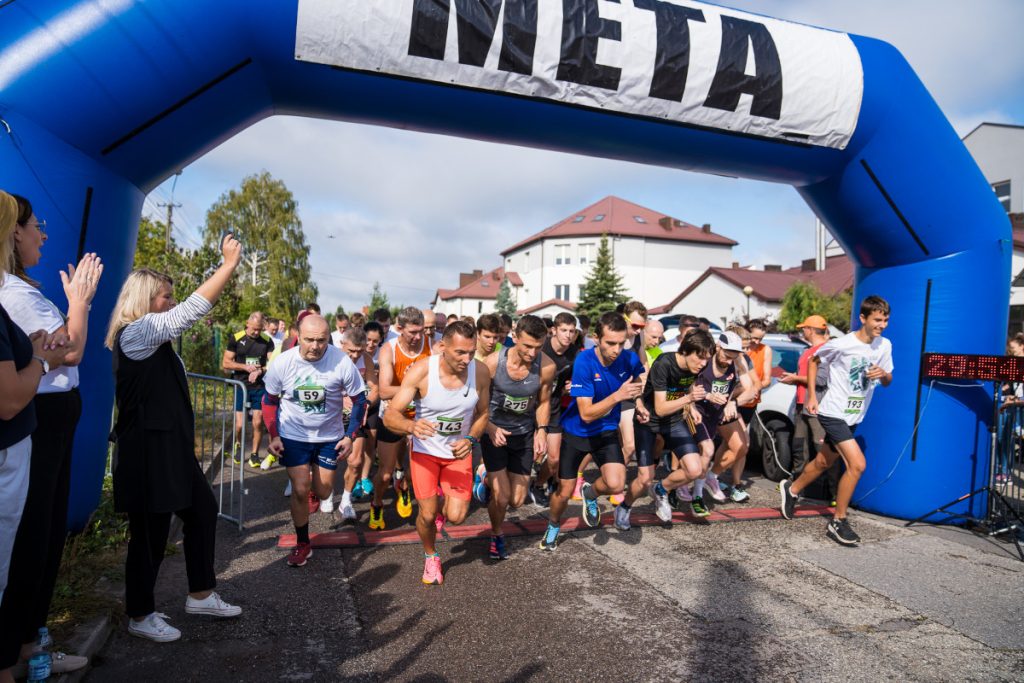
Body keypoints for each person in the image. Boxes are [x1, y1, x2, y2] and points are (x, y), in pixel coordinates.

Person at [105, 233, 244, 643]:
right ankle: (140, 614)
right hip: (147, 451)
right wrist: (228, 266)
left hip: (169, 449)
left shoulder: (153, 336)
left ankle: (200, 593)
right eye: (165, 296)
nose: (171, 302)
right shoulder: (136, 332)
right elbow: (188, 314)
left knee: (202, 509)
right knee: (149, 534)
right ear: (145, 299)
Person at [0, 191, 74, 681]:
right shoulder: (13, 294)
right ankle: (15, 652)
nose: (43, 234)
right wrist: (81, 303)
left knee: (33, 544)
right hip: (18, 441)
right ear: (11, 233)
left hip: (31, 436)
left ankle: (21, 647)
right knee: (19, 550)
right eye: (34, 226)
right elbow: (71, 349)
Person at [780, 296, 894, 546]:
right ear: (863, 319)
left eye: (885, 320)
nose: (882, 325)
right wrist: (811, 395)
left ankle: (792, 489)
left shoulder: (884, 345)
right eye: (877, 319)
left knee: (823, 461)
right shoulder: (843, 344)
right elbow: (814, 361)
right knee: (857, 464)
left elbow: (888, 381)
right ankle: (838, 520)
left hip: (855, 414)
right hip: (833, 412)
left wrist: (883, 374)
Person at [383, 321, 490, 585]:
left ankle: (442, 507)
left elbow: (483, 413)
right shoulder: (422, 372)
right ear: (443, 347)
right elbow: (390, 416)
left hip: (458, 453)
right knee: (427, 515)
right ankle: (431, 556)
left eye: (471, 352)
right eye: (460, 353)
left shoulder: (481, 372)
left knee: (457, 516)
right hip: (425, 452)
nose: (467, 359)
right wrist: (410, 425)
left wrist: (471, 437)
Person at [262, 315, 367, 566]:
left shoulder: (341, 361)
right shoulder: (284, 362)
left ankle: (313, 490)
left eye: (321, 340)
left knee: (323, 491)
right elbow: (269, 401)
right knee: (299, 489)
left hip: (328, 437)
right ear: (298, 336)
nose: (315, 346)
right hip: (293, 435)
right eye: (309, 340)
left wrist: (350, 436)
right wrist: (274, 434)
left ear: (329, 338)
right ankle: (302, 543)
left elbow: (360, 401)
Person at [541, 312, 645, 549]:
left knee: (616, 484)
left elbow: (640, 378)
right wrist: (618, 396)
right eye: (610, 343)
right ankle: (554, 524)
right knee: (564, 492)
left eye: (621, 343)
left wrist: (638, 402)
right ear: (597, 338)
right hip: (578, 433)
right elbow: (586, 413)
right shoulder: (584, 361)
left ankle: (589, 494)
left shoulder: (627, 358)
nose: (616, 349)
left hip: (606, 432)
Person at [480, 315, 554, 559]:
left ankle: (485, 480)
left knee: (518, 500)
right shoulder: (492, 364)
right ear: (514, 339)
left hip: (523, 435)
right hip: (495, 433)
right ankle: (497, 533)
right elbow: (476, 405)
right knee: (501, 498)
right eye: (527, 346)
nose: (533, 353)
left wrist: (541, 430)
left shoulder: (546, 366)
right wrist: (489, 427)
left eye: (538, 347)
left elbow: (543, 401)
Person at [622, 330, 713, 526]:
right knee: (645, 478)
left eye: (706, 359)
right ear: (686, 351)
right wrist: (690, 399)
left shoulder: (694, 367)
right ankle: (625, 506)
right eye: (700, 358)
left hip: (674, 421)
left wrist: (692, 406)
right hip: (648, 422)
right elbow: (661, 408)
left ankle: (661, 490)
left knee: (695, 469)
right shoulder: (664, 363)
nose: (703, 364)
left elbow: (686, 385)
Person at [369, 307, 432, 529]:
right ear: (399, 329)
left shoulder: (432, 346)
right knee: (385, 474)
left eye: (421, 331)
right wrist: (417, 388)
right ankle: (377, 503)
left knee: (418, 469)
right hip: (394, 416)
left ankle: (405, 487)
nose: (417, 337)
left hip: (423, 416)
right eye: (412, 332)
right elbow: (384, 390)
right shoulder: (389, 349)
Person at [689, 331, 759, 515]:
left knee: (741, 446)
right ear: (718, 347)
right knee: (705, 451)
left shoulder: (737, 360)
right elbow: (687, 385)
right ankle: (696, 496)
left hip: (720, 411)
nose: (729, 361)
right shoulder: (705, 357)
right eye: (727, 356)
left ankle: (712, 477)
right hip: (698, 410)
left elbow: (751, 389)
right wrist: (705, 396)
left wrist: (733, 402)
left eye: (733, 358)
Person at [532, 312, 579, 505]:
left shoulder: (574, 353)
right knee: (533, 453)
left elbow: (576, 381)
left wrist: (571, 387)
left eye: (572, 331)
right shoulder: (540, 348)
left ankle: (537, 484)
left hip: (553, 407)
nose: (568, 335)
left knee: (554, 459)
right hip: (530, 406)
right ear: (553, 330)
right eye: (564, 330)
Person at [780, 316, 832, 482]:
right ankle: (796, 486)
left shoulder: (826, 350)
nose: (802, 331)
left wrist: (795, 379)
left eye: (804, 328)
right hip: (801, 406)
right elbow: (807, 376)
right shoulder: (807, 351)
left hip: (817, 406)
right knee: (799, 447)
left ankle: (830, 493)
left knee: (821, 448)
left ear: (810, 330)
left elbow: (821, 380)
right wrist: (794, 378)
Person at [222, 312, 274, 468]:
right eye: (254, 329)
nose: (257, 332)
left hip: (259, 386)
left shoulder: (267, 341)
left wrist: (260, 371)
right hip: (241, 385)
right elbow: (226, 363)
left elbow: (272, 364)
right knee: (239, 425)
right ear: (247, 323)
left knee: (258, 422)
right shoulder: (236, 338)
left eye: (259, 329)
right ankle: (238, 444)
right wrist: (245, 367)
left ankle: (254, 454)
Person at [337, 327, 378, 521]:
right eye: (350, 351)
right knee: (326, 468)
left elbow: (375, 388)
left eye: (359, 351)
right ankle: (321, 492)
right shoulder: (330, 358)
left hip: (353, 416)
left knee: (355, 461)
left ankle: (346, 501)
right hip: (330, 418)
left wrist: (366, 403)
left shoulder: (366, 360)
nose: (355, 356)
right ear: (341, 344)